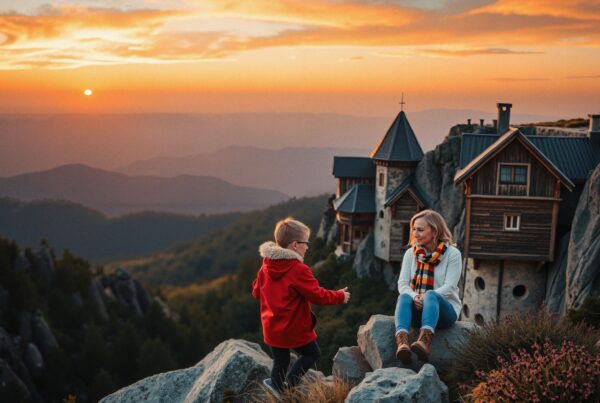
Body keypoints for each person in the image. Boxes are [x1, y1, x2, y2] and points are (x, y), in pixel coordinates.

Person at [252, 217, 350, 395]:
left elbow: (256, 292)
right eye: (306, 242)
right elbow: (318, 295)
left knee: (280, 360)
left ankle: (276, 385)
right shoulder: (298, 269)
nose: (308, 246)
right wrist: (340, 296)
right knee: (312, 354)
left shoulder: (266, 265)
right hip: (292, 328)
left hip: (272, 327)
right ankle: (288, 386)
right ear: (295, 245)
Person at [394, 209, 462, 364]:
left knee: (431, 294)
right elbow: (403, 284)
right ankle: (402, 343)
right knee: (404, 296)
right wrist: (415, 297)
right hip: (418, 310)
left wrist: (425, 297)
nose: (415, 234)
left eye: (420, 230)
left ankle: (424, 341)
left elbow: (450, 287)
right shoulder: (411, 253)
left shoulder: (453, 254)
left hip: (445, 312)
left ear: (434, 231)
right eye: (414, 229)